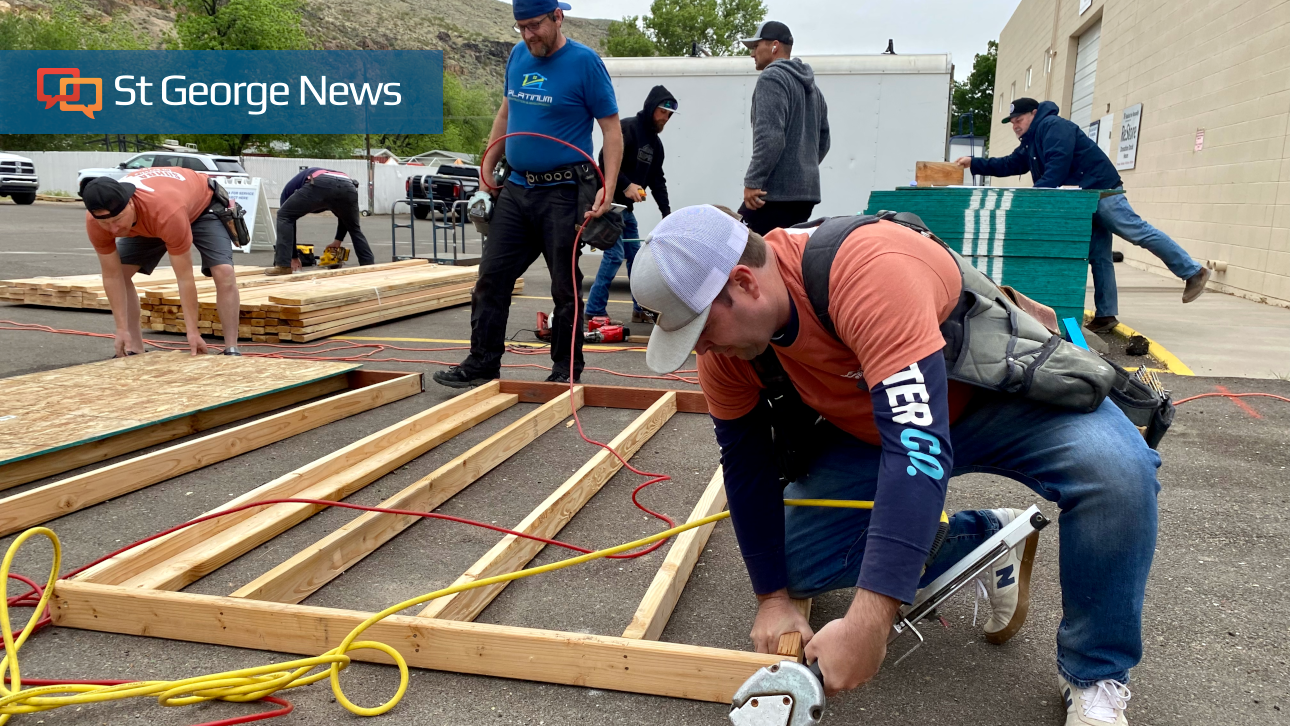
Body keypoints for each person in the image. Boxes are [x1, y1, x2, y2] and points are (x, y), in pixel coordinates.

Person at [631, 204, 1161, 726]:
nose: (699, 347)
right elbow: (745, 466)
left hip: (993, 395)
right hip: (877, 429)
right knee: (793, 564)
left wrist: (869, 621)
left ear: (745, 283)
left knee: (1118, 474)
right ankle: (982, 540)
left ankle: (1094, 675)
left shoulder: (865, 270)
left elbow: (918, 449)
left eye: (700, 326)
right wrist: (771, 598)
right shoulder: (727, 353)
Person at [433, 0, 622, 388]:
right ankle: (482, 362)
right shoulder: (518, 55)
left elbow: (612, 129)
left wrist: (609, 187)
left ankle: (566, 370)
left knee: (564, 288)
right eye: (520, 27)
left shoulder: (585, 63)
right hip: (517, 190)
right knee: (491, 279)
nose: (527, 35)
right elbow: (506, 111)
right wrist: (488, 161)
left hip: (564, 194)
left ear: (557, 16)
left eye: (534, 25)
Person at [956, 98, 1210, 333]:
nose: (1015, 125)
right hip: (1082, 200)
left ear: (1034, 114)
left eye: (1019, 119)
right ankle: (1106, 315)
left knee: (1138, 233)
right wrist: (974, 162)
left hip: (1101, 193)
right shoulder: (1032, 142)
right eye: (1012, 122)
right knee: (1099, 257)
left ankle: (1192, 271)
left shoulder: (1053, 126)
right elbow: (1010, 164)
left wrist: (1037, 196)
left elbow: (1058, 163)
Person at [83, 171, 243, 357]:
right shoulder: (95, 223)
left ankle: (231, 348)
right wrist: (120, 328)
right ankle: (134, 347)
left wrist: (193, 332)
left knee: (223, 271)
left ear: (131, 203)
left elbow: (184, 277)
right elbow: (112, 276)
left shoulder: (165, 212)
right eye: (106, 223)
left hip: (202, 207)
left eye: (117, 220)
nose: (114, 230)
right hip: (151, 222)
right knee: (122, 273)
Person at [585, 85, 677, 327]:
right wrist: (626, 184)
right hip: (608, 205)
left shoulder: (656, 146)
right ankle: (593, 309)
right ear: (650, 108)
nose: (665, 119)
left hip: (625, 211)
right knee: (614, 256)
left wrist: (667, 214)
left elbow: (658, 180)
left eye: (668, 115)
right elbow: (605, 160)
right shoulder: (626, 128)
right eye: (662, 112)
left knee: (636, 259)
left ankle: (640, 310)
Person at [737, 21, 830, 235]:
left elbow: (770, 137)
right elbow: (824, 140)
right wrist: (801, 169)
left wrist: (752, 182)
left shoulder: (772, 77)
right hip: (805, 196)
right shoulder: (813, 88)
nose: (752, 53)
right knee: (781, 258)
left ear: (774, 46)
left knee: (736, 247)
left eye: (755, 46)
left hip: (774, 196)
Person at [266, 167, 374, 275]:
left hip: (320, 183)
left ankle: (283, 267)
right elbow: (345, 218)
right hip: (348, 185)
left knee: (283, 215)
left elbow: (287, 221)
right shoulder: (293, 188)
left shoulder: (287, 192)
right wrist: (338, 240)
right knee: (354, 229)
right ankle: (369, 266)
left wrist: (293, 257)